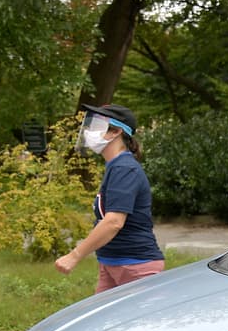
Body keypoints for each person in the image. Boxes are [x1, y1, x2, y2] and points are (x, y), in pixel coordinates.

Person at [55, 104, 164, 292]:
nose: (89, 132)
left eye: (97, 126)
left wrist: (74, 256)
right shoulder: (115, 166)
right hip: (112, 262)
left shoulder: (124, 169)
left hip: (135, 266)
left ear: (115, 132)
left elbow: (113, 222)